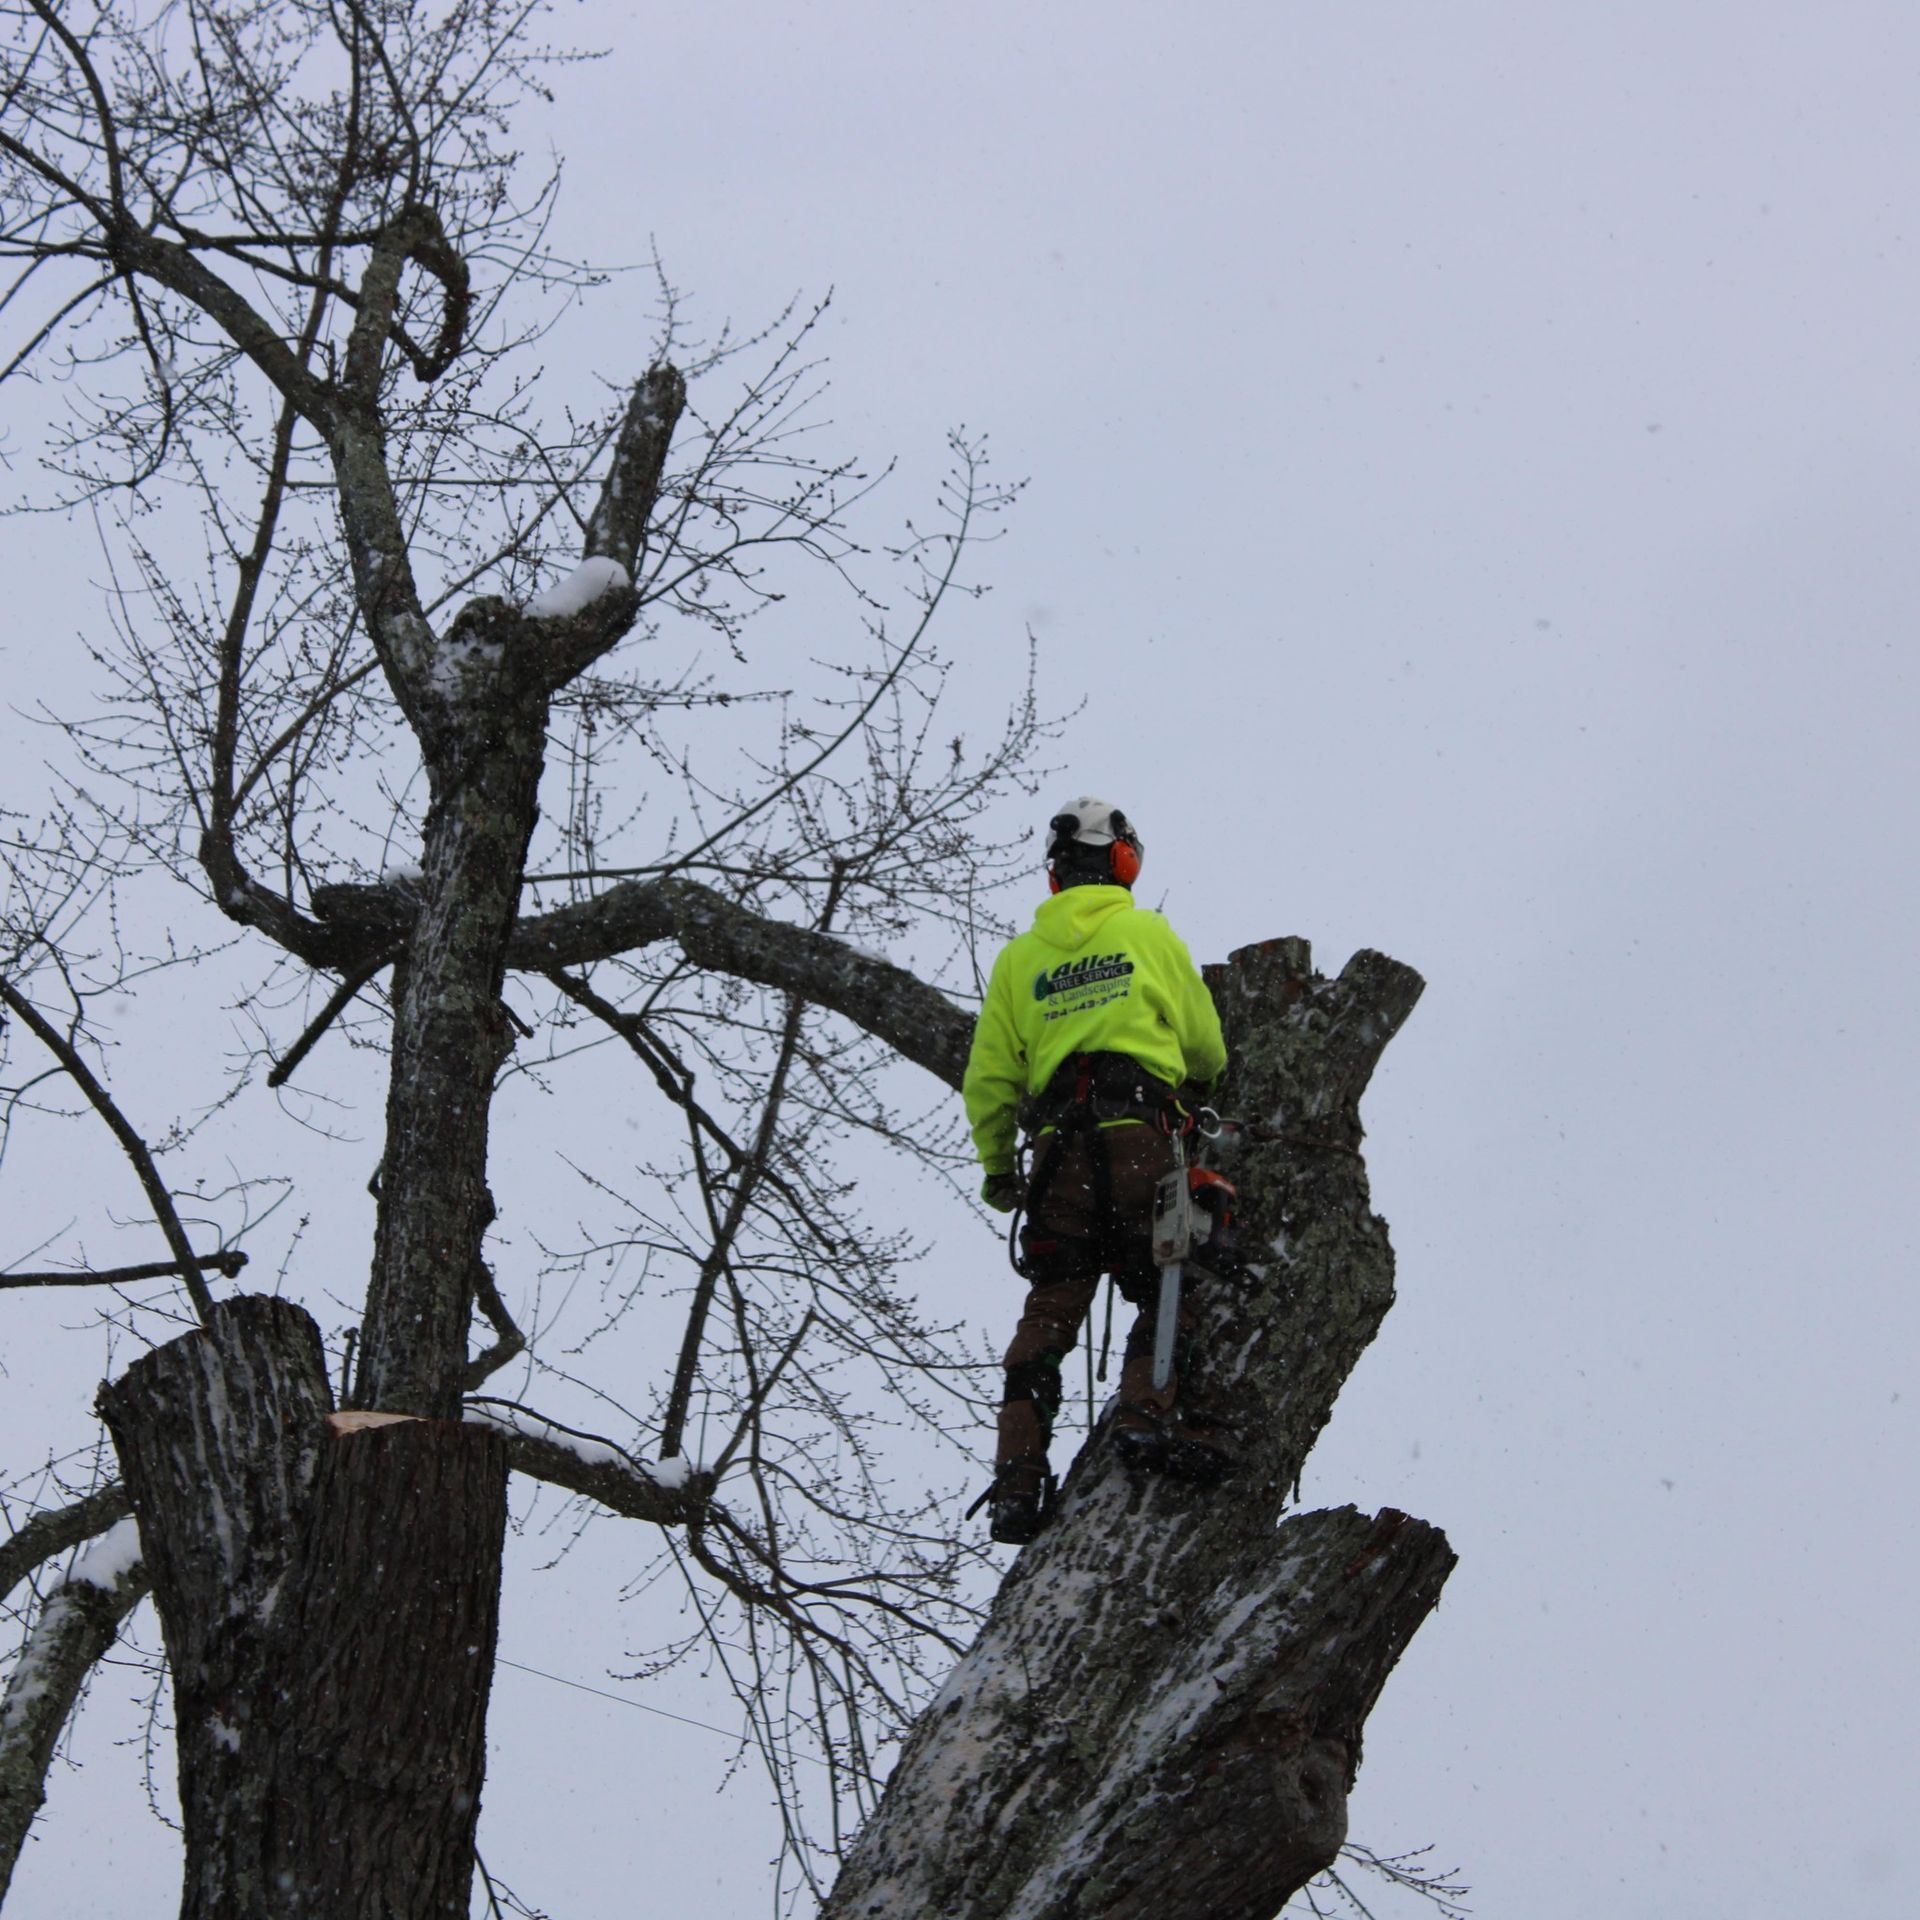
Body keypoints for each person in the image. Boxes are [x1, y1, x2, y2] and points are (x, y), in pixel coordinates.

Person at [962, 796, 1229, 1545]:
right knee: (1167, 1275)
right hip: (1139, 1133)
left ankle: (1017, 1477)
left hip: (1057, 1158)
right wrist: (1196, 1085)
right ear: (1121, 860)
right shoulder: (1146, 933)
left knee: (1050, 1311)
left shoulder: (1020, 959)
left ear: (1056, 874)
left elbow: (988, 1080)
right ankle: (1147, 1411)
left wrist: (997, 1170)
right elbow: (1206, 1045)